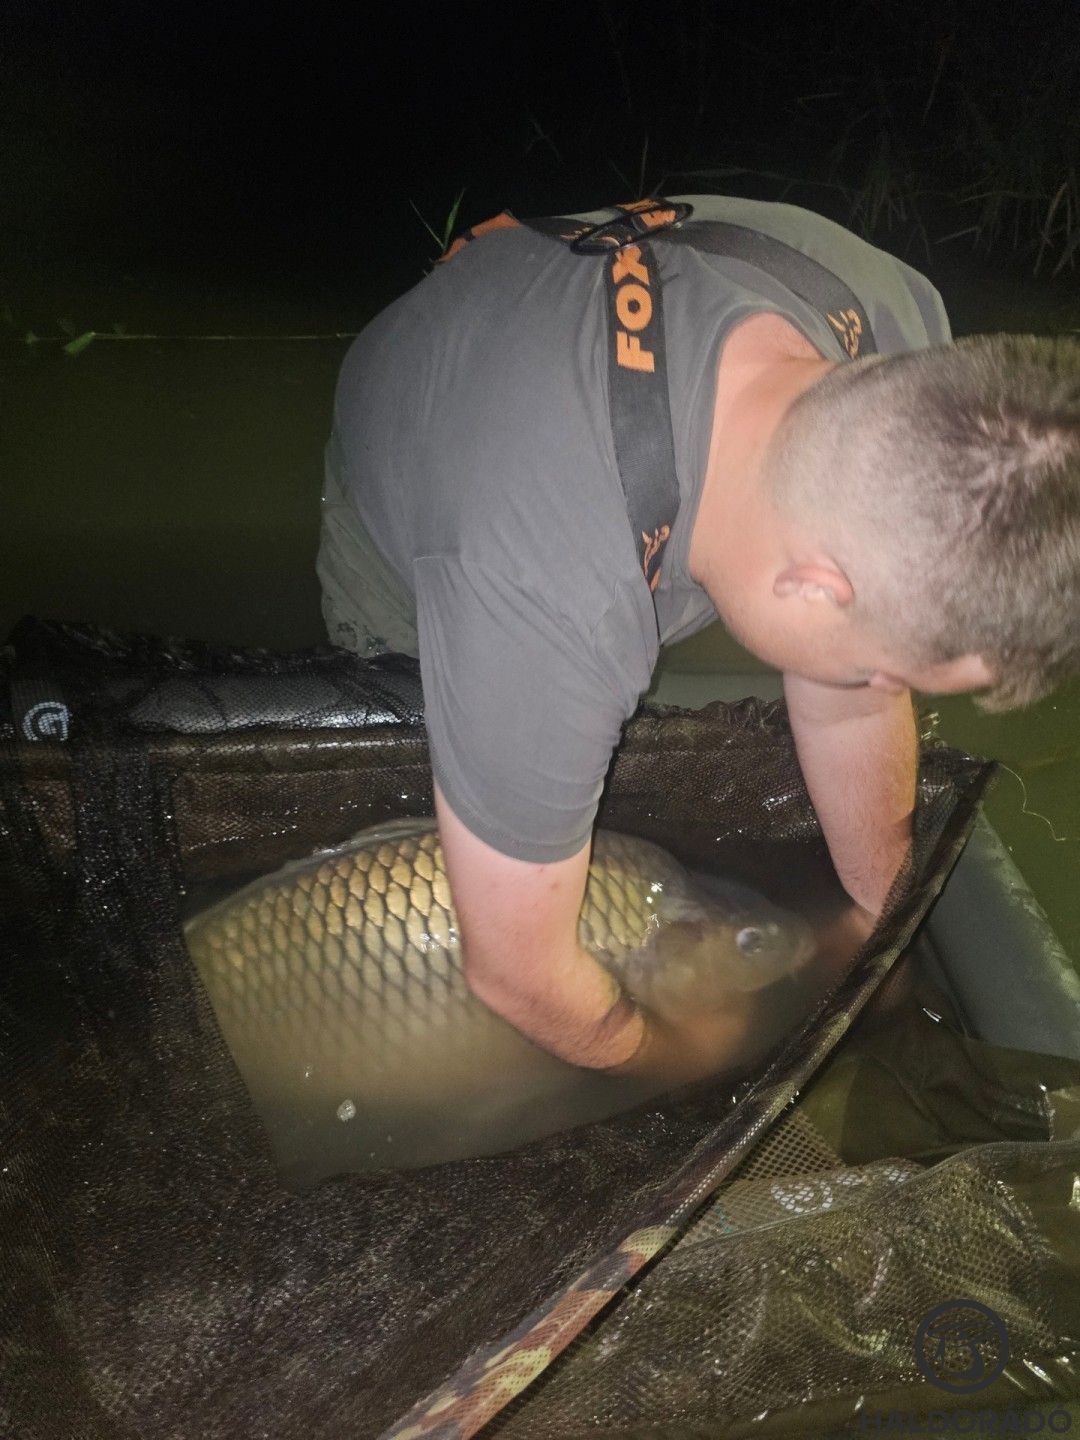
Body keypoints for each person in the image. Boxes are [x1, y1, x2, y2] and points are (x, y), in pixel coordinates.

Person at [316, 193, 1080, 1082]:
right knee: (419, 795)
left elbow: (846, 691)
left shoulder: (902, 332)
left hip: (616, 415)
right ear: (812, 586)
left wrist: (881, 916)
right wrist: (675, 1054)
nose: (878, 688)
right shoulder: (533, 592)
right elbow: (518, 976)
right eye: (879, 669)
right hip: (424, 486)